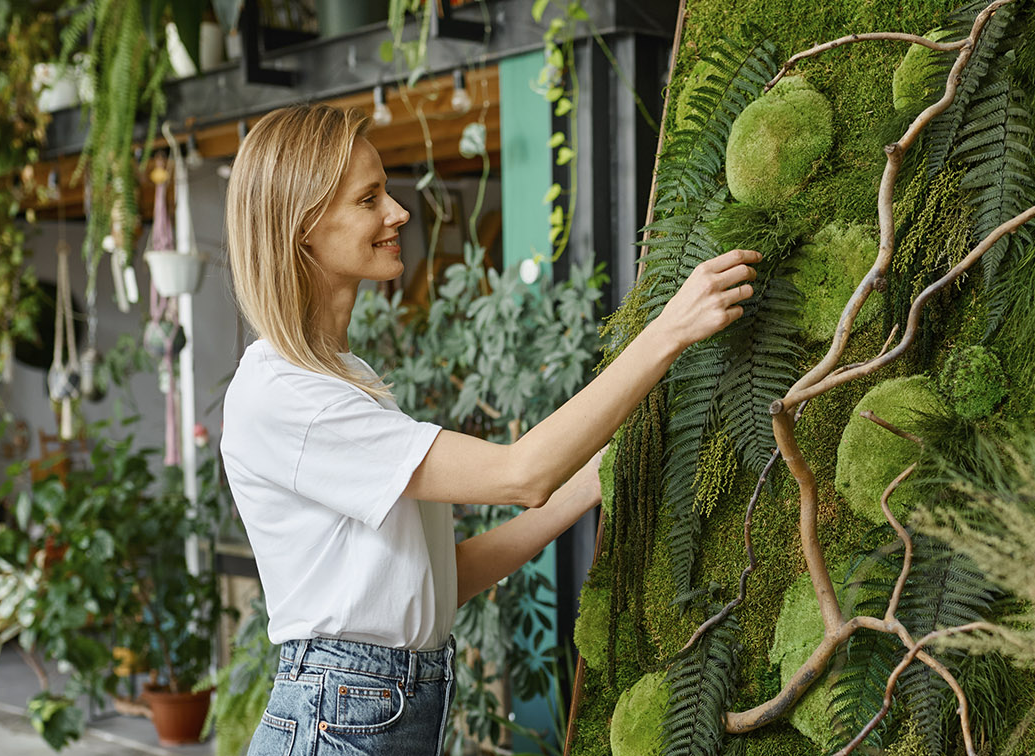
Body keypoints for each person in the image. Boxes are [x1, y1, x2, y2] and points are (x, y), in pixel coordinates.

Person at [220, 103, 760, 756]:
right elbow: (519, 474)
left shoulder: (342, 377)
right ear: (303, 228)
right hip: (341, 715)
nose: (398, 212)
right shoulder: (286, 396)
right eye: (369, 199)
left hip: (373, 707)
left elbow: (440, 578)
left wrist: (592, 480)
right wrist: (670, 328)